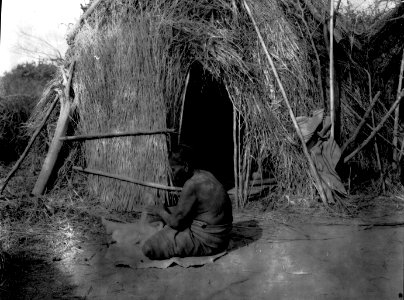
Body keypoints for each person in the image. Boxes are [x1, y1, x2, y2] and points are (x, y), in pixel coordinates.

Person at [142, 147, 233, 260]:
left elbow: (175, 223)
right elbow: (188, 208)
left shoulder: (191, 184)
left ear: (185, 166)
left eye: (174, 169)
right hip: (223, 234)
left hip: (209, 240)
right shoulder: (206, 174)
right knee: (161, 215)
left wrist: (160, 210)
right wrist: (162, 211)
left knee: (148, 248)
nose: (173, 174)